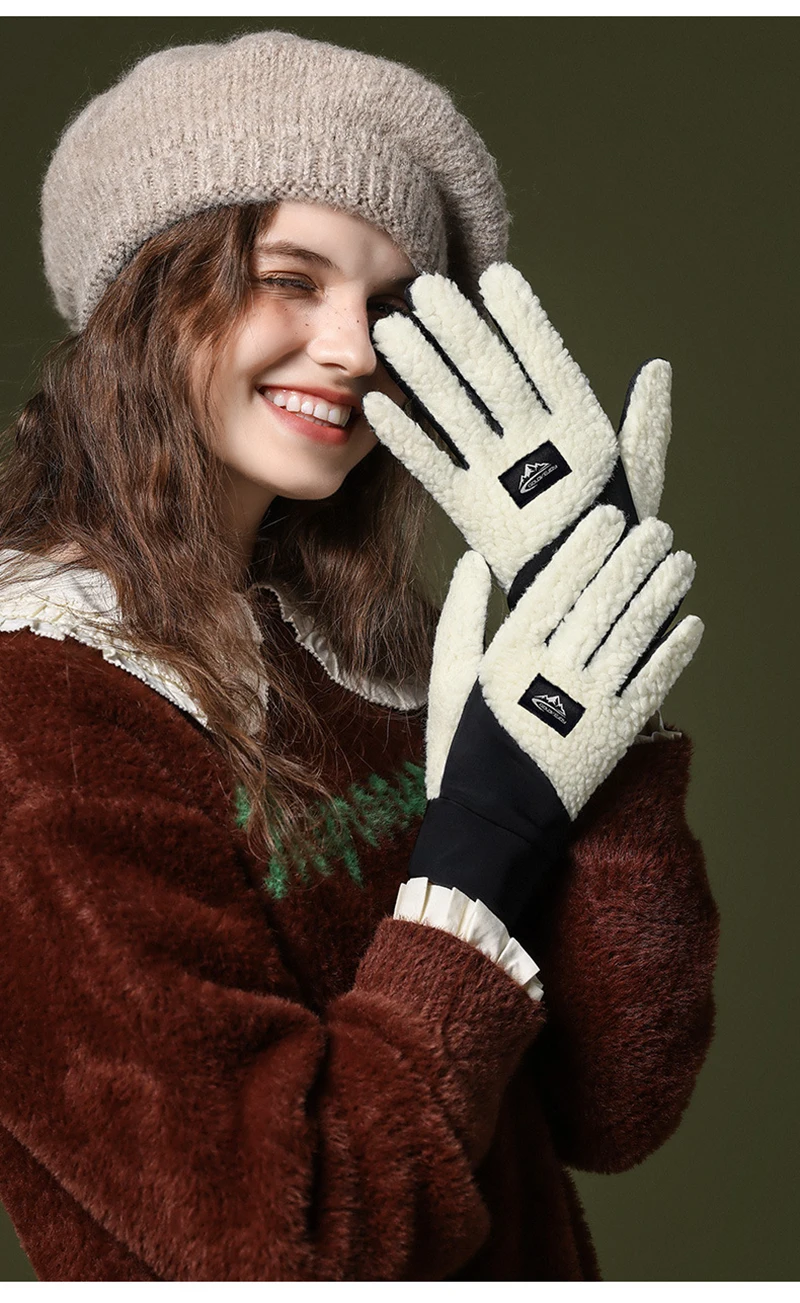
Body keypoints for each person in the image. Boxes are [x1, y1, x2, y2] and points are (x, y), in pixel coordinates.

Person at [0, 30, 718, 1282]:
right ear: (144, 294)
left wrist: (593, 676)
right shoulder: (40, 709)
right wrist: (480, 838)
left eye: (389, 306)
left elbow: (612, 1104)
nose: (355, 348)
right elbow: (298, 1241)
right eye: (290, 278)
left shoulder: (364, 650)